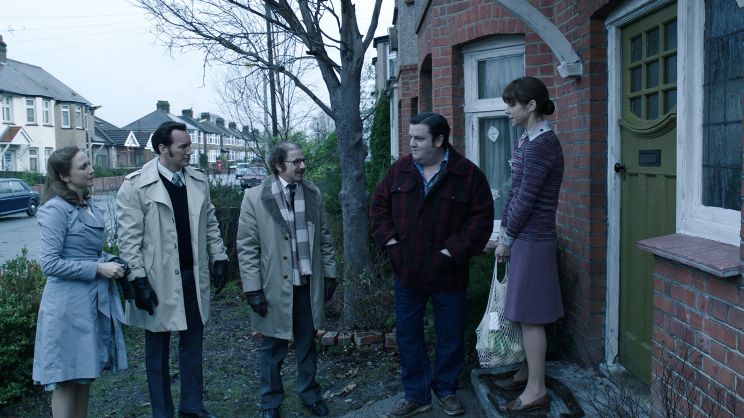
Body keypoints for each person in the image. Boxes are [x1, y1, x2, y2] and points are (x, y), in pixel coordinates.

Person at [370, 112, 494, 417]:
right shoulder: (400, 170)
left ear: (439, 140)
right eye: (410, 137)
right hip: (407, 271)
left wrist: (451, 253)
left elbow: (480, 221)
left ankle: (446, 390)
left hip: (448, 274)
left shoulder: (467, 175)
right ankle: (416, 394)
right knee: (408, 335)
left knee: (450, 335)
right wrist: (391, 245)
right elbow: (378, 207)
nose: (411, 144)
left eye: (419, 138)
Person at [116, 121, 229, 418]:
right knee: (157, 354)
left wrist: (219, 257)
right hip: (157, 282)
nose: (190, 151)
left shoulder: (198, 180)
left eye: (190, 145)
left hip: (193, 277)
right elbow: (129, 240)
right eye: (184, 146)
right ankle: (162, 413)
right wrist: (138, 280)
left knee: (193, 347)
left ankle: (192, 407)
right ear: (163, 149)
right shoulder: (135, 185)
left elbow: (210, 223)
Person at [236, 142, 338, 418]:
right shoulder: (255, 198)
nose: (302, 166)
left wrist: (330, 273)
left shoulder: (313, 193)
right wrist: (252, 289)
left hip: (307, 283)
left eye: (303, 160)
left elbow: (325, 237)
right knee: (273, 347)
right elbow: (247, 247)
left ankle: (310, 394)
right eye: (296, 162)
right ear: (278, 165)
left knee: (307, 342)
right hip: (273, 287)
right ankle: (270, 402)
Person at [33, 146, 129, 418]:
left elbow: (86, 251)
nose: (91, 170)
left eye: (89, 164)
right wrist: (98, 268)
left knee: (84, 375)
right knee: (66, 378)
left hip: (87, 303)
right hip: (66, 306)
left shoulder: (86, 205)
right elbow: (50, 264)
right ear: (64, 176)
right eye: (84, 166)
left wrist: (110, 259)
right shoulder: (55, 210)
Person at [493, 76, 564, 415]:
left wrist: (506, 238)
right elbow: (514, 192)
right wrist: (505, 232)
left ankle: (537, 389)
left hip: (534, 240)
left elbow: (525, 199)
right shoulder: (528, 140)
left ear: (531, 105)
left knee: (531, 316)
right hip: (526, 237)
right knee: (525, 313)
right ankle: (527, 371)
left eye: (512, 104)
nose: (507, 109)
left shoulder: (541, 145)